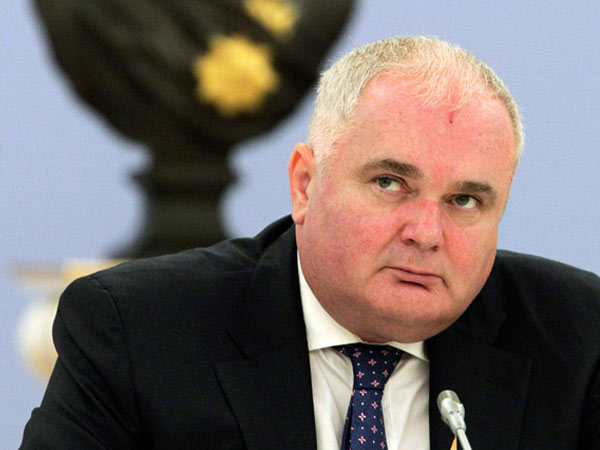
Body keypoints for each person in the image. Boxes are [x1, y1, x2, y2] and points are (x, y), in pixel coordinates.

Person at [20, 36, 600, 450]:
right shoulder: (138, 331)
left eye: (465, 201)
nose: (426, 234)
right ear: (304, 183)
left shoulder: (579, 339)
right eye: (390, 183)